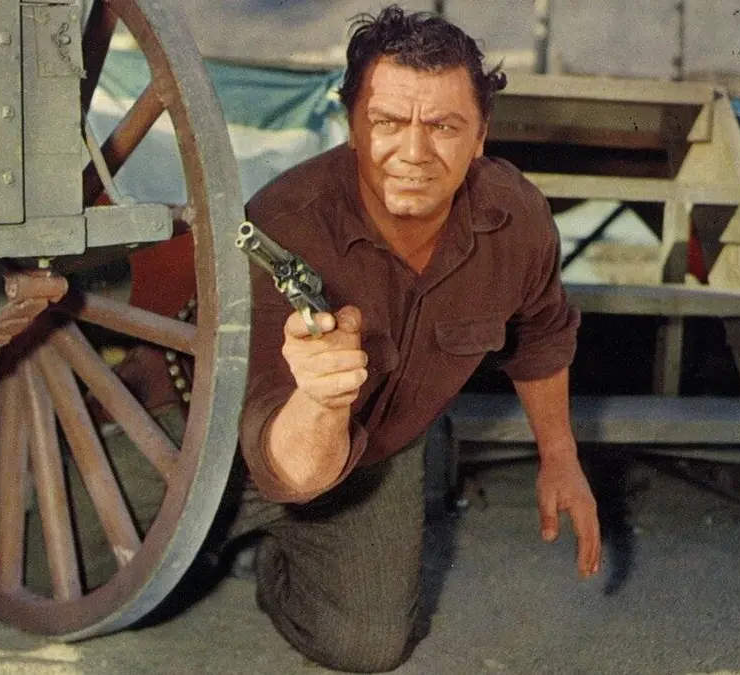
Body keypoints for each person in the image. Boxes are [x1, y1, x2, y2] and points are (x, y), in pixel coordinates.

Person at [231, 6, 601, 672]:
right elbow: (286, 466)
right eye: (387, 123)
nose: (414, 154)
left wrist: (560, 455)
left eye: (444, 127)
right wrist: (319, 399)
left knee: (367, 646)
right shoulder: (284, 223)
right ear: (351, 126)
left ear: (480, 136)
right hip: (234, 446)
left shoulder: (516, 218)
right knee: (101, 567)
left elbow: (540, 334)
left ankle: (277, 565)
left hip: (375, 455)